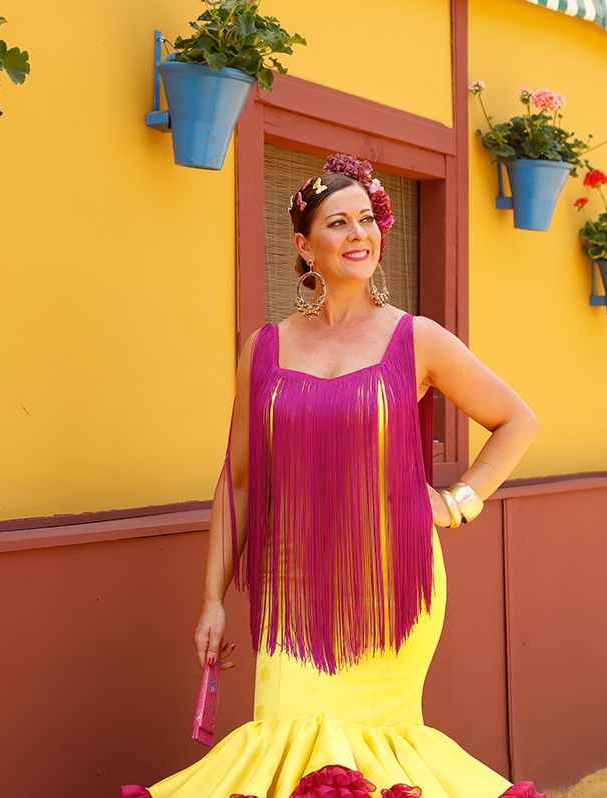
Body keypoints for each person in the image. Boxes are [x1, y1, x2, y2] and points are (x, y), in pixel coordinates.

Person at [123, 153, 542, 798]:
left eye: (368, 219)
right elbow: (235, 481)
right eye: (338, 222)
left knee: (378, 757)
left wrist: (457, 502)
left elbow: (517, 420)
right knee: (288, 746)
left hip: (390, 586)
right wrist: (211, 599)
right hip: (289, 588)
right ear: (304, 245)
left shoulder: (418, 339)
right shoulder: (262, 349)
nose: (359, 234)